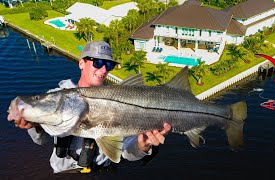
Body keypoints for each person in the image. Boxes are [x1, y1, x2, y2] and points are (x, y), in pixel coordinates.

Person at [7, 41, 171, 173]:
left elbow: (127, 153)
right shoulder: (56, 95)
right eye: (98, 62)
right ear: (81, 63)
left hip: (103, 173)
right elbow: (40, 141)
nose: (103, 69)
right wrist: (34, 126)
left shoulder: (121, 101)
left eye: (109, 65)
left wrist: (142, 146)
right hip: (65, 175)